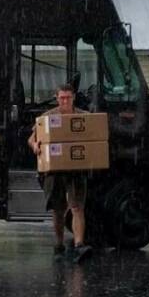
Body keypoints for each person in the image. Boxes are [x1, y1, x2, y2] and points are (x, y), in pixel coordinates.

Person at [28, 84, 92, 263]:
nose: (65, 101)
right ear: (57, 98)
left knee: (77, 207)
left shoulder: (84, 118)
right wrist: (35, 146)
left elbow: (94, 137)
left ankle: (79, 245)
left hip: (77, 170)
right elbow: (32, 139)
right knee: (58, 209)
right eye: (62, 98)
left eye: (68, 98)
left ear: (74, 98)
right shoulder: (47, 118)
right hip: (54, 171)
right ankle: (59, 245)